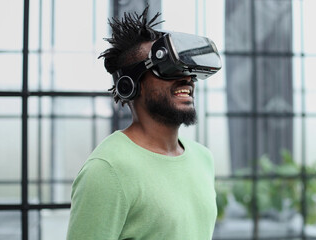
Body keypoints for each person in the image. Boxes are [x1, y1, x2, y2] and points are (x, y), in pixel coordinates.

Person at [67, 5, 221, 240]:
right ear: (130, 85)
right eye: (168, 68)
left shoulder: (203, 158)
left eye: (188, 69)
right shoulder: (107, 170)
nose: (187, 78)